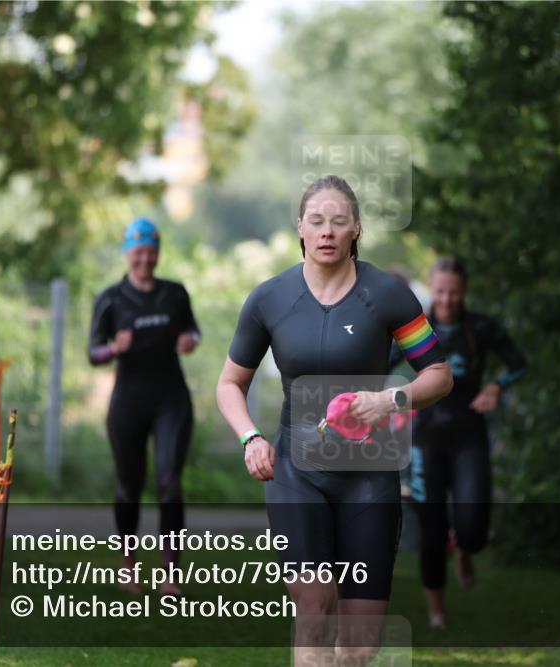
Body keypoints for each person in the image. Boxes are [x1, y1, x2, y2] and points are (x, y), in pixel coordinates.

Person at [216, 175, 453, 666]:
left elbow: (439, 375)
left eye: (338, 221)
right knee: (313, 606)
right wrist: (250, 438)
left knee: (360, 646)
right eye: (317, 221)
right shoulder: (270, 299)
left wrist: (391, 401)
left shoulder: (387, 296)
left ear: (356, 230)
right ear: (300, 227)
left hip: (369, 476)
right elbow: (228, 384)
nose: (327, 231)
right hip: (296, 473)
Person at [398, 256, 527, 629]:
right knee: (432, 530)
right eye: (440, 291)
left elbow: (518, 362)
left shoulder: (482, 326)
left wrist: (495, 387)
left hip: (469, 436)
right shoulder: (415, 327)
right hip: (426, 440)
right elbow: (379, 361)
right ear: (431, 288)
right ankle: (437, 612)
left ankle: (465, 551)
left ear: (464, 291)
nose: (447, 299)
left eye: (454, 292)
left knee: (472, 529)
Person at [88, 217, 200, 596]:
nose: (145, 259)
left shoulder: (175, 293)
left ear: (158, 253)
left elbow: (192, 330)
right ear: (127, 253)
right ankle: (128, 566)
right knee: (128, 486)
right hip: (128, 401)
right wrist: (112, 349)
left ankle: (170, 573)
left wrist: (189, 339)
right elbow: (93, 352)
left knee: (169, 483)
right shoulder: (111, 298)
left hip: (171, 398)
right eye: (138, 252)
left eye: (151, 251)